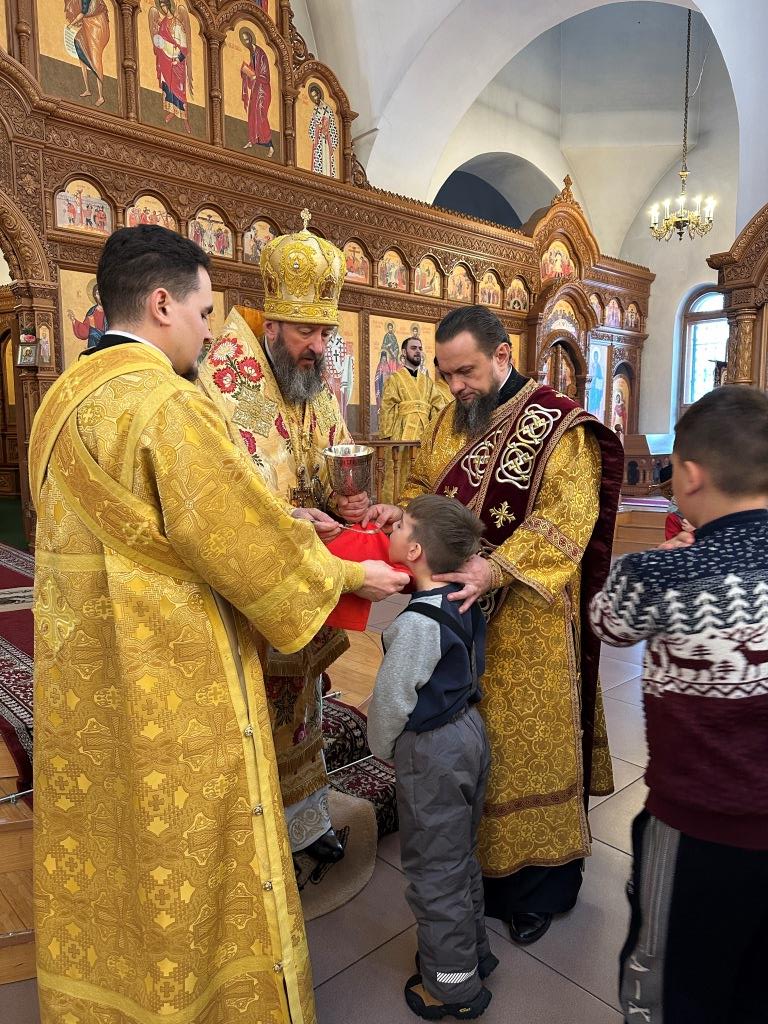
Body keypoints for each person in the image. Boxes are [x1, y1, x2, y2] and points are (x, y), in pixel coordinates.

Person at [30, 224, 407, 1024]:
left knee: (111, 831)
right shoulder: (166, 405)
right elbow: (239, 545)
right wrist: (349, 574)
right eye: (204, 312)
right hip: (172, 669)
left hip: (89, 666)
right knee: (190, 839)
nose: (210, 332)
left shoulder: (60, 400)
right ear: (162, 304)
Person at [364, 305, 624, 944]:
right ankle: (475, 877)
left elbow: (565, 522)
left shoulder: (560, 428)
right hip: (456, 616)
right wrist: (402, 510)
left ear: (503, 356)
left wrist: (496, 568)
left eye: (467, 372)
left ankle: (539, 890)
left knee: (523, 752)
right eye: (447, 374)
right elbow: (426, 487)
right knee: (470, 746)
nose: (455, 386)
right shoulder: (448, 419)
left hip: (529, 622)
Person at [589, 386, 768, 1024]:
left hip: (692, 827)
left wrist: (653, 563)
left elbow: (606, 622)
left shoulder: (662, 576)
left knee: (671, 985)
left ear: (689, 476)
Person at [198, 211, 370, 864]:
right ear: (271, 324)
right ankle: (257, 840)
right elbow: (220, 502)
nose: (318, 347)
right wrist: (295, 520)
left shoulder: (312, 385)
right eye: (305, 331)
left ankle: (306, 820)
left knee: (305, 710)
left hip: (302, 583)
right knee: (252, 716)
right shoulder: (220, 384)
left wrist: (346, 501)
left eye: (325, 332)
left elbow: (328, 465)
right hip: (246, 592)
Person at [367, 494, 494, 1020]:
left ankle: (452, 987)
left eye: (400, 525)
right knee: (459, 855)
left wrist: (381, 748)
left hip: (433, 750)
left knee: (434, 872)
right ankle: (473, 954)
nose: (392, 529)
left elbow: (392, 699)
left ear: (415, 551)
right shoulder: (461, 599)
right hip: (469, 730)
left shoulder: (417, 623)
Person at [379, 336, 439, 502]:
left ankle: (420, 509)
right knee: (398, 473)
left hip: (423, 436)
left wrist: (435, 434)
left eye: (420, 348)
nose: (418, 351)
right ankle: (394, 507)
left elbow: (438, 407)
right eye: (413, 348)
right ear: (404, 352)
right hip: (401, 435)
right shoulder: (395, 379)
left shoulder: (428, 382)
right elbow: (387, 407)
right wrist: (387, 437)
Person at [65, 0, 110, 107]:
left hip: (96, 27)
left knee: (96, 59)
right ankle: (87, 89)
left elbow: (83, 12)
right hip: (88, 24)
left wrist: (71, 25)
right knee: (78, 42)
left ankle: (101, 96)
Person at [240, 27, 274, 155]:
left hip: (263, 90)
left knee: (261, 114)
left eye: (247, 40)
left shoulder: (261, 54)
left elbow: (265, 75)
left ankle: (270, 144)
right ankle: (253, 140)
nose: (246, 42)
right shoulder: (252, 54)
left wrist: (255, 76)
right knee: (252, 113)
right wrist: (245, 73)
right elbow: (251, 70)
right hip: (256, 89)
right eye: (244, 41)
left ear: (251, 39)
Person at [308, 83, 339, 177]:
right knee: (318, 160)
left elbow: (332, 127)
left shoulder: (328, 109)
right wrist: (317, 130)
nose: (315, 98)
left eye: (316, 95)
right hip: (319, 142)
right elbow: (312, 126)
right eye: (313, 97)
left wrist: (326, 131)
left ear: (319, 94)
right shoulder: (315, 110)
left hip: (326, 140)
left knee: (327, 161)